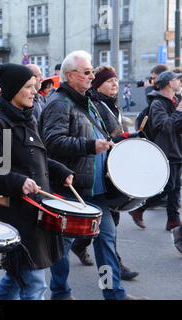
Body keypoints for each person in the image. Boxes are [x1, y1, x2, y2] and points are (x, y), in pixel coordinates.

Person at [40, 50, 146, 300]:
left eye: (91, 70)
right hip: (71, 187)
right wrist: (90, 146)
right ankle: (60, 293)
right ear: (69, 75)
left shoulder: (88, 101)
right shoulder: (58, 103)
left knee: (107, 242)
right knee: (62, 246)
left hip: (96, 189)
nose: (91, 75)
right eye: (86, 72)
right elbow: (52, 142)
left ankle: (113, 293)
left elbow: (107, 136)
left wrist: (128, 141)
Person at [0, 63, 74, 300]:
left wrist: (60, 171)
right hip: (17, 215)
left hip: (36, 211)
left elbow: (36, 157)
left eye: (35, 86)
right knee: (34, 283)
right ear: (13, 89)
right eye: (29, 87)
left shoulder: (27, 118)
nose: (34, 91)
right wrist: (19, 181)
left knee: (16, 278)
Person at [71, 66, 139, 281]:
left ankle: (82, 248)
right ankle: (112, 269)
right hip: (95, 172)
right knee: (105, 223)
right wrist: (122, 139)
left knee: (107, 222)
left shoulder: (110, 105)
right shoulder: (94, 104)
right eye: (110, 81)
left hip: (110, 168)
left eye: (116, 81)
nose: (115, 85)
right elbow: (99, 139)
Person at [129, 71, 182, 231]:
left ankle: (173, 221)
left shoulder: (175, 100)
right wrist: (179, 111)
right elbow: (165, 127)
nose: (179, 82)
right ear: (168, 83)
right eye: (177, 80)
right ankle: (138, 208)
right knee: (166, 187)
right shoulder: (157, 104)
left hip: (177, 149)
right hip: (165, 151)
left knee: (175, 189)